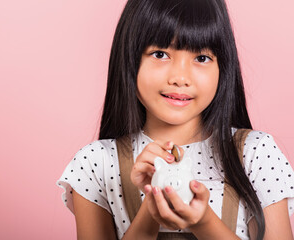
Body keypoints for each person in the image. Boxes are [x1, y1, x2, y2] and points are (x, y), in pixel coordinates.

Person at [57, 0, 294, 239]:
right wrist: (152, 208)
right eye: (160, 54)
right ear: (129, 60)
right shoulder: (96, 163)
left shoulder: (255, 154)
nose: (180, 78)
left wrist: (204, 222)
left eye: (201, 58)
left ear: (223, 68)